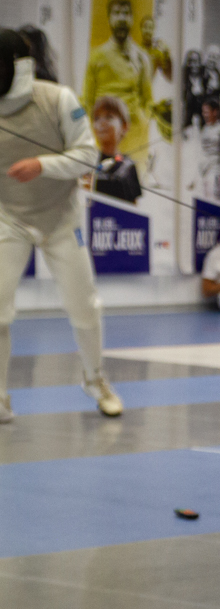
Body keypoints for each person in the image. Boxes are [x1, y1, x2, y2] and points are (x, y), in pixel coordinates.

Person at [0, 29, 123, 422]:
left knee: (84, 306)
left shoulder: (57, 99)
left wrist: (42, 165)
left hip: (61, 216)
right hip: (9, 218)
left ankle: (95, 379)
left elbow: (88, 155)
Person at [80, 0, 154, 169]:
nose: (121, 18)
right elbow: (87, 100)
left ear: (132, 19)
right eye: (117, 13)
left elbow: (148, 100)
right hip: (104, 136)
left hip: (134, 134)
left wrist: (142, 122)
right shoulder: (97, 56)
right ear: (109, 18)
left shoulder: (142, 57)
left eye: (126, 13)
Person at [88, 96, 141, 204]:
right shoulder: (89, 161)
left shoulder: (129, 166)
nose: (102, 122)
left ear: (124, 126)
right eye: (97, 118)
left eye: (109, 117)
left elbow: (133, 206)